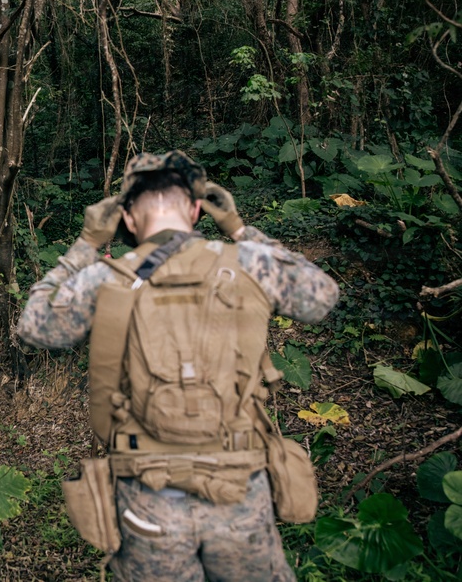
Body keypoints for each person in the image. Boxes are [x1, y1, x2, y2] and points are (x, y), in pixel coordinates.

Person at [17, 150, 340, 582]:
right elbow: (322, 297)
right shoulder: (245, 263)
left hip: (148, 493)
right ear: (194, 209)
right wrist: (241, 229)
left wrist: (87, 245)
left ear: (127, 220)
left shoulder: (106, 279)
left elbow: (33, 326)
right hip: (239, 487)